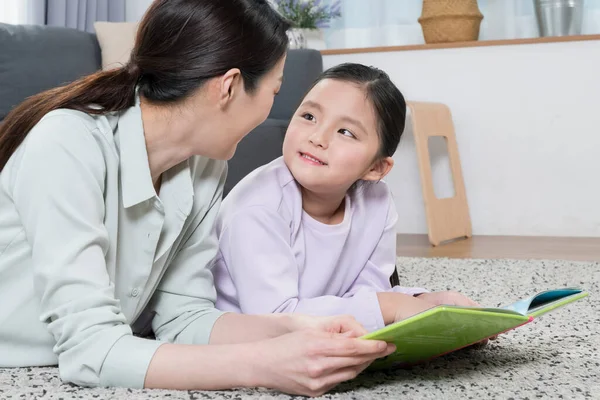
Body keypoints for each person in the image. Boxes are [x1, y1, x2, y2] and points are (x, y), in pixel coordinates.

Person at [0, 1, 396, 397]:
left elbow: (185, 318)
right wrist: (266, 364)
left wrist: (294, 329)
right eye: (274, 91)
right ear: (229, 87)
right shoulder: (66, 144)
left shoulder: (204, 166)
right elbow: (90, 350)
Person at [213, 63, 482, 332]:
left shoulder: (376, 200)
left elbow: (369, 292)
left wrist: (426, 301)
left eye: (345, 132)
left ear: (376, 168)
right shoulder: (257, 207)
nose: (317, 137)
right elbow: (275, 318)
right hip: (248, 340)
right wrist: (394, 307)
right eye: (308, 116)